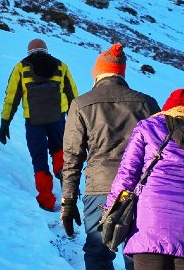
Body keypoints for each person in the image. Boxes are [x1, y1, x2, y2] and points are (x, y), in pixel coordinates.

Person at [61, 43, 160, 270]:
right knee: (138, 254)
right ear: (122, 73)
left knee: (98, 254)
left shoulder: (81, 104)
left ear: (97, 73)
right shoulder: (147, 103)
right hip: (141, 191)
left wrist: (68, 202)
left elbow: (72, 158)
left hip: (100, 191)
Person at [103, 89, 184, 270]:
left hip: (148, 224)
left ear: (166, 109)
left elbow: (127, 176)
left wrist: (111, 211)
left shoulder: (147, 128)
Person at [0, 39, 78, 211]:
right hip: (57, 118)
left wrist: (5, 123)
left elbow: (11, 97)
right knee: (59, 149)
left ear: (29, 52)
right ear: (46, 50)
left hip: (34, 122)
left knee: (39, 159)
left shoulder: (21, 68)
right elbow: (73, 95)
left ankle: (46, 200)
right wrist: (77, 121)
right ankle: (64, 172)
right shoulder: (61, 66)